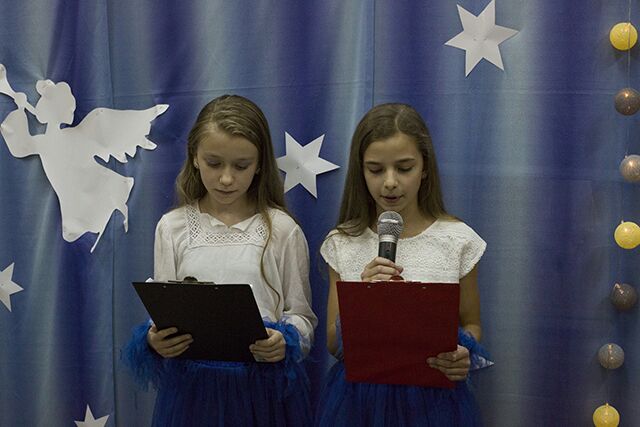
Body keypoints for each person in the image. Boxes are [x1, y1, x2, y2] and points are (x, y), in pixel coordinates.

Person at [123, 94, 317, 427]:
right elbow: (163, 308)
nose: (226, 179)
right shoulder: (172, 227)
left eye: (241, 166)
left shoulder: (283, 230)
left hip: (261, 394)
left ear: (259, 165)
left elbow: (302, 317)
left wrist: (285, 342)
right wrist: (156, 341)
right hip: (192, 394)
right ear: (195, 158)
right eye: (214, 163)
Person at [315, 103, 491, 426]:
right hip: (360, 403)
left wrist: (464, 352)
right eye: (375, 170)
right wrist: (363, 299)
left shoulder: (457, 240)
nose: (390, 182)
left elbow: (472, 324)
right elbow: (333, 344)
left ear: (424, 168)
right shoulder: (343, 242)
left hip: (434, 403)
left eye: (404, 168)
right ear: (360, 171)